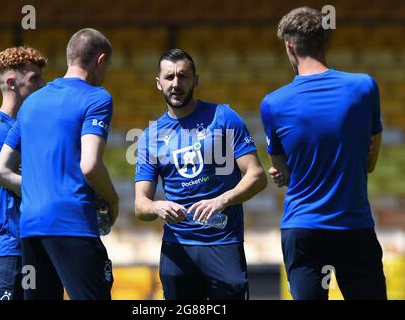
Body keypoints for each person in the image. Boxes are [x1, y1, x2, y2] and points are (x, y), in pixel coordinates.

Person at [260, 7, 387, 300]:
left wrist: (290, 173)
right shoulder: (364, 87)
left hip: (303, 229)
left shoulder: (273, 103)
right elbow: (369, 163)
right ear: (325, 41)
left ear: (289, 46)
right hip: (353, 227)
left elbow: (285, 173)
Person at [0, 28, 119, 300]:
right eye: (107, 66)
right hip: (71, 222)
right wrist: (113, 199)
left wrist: (41, 189)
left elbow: (1, 172)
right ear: (100, 60)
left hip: (31, 228)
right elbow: (90, 165)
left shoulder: (31, 103)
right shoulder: (97, 98)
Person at [134, 49, 267, 300]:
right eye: (169, 77)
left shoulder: (224, 117)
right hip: (177, 249)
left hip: (222, 242)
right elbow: (141, 206)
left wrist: (222, 200)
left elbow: (257, 176)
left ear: (196, 80)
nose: (176, 84)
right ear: (158, 83)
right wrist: (157, 207)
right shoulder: (149, 138)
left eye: (183, 76)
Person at [0, 46, 46, 300]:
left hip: (39, 248)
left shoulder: (33, 129)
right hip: (10, 253)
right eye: (34, 79)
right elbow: (17, 179)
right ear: (11, 83)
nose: (43, 84)